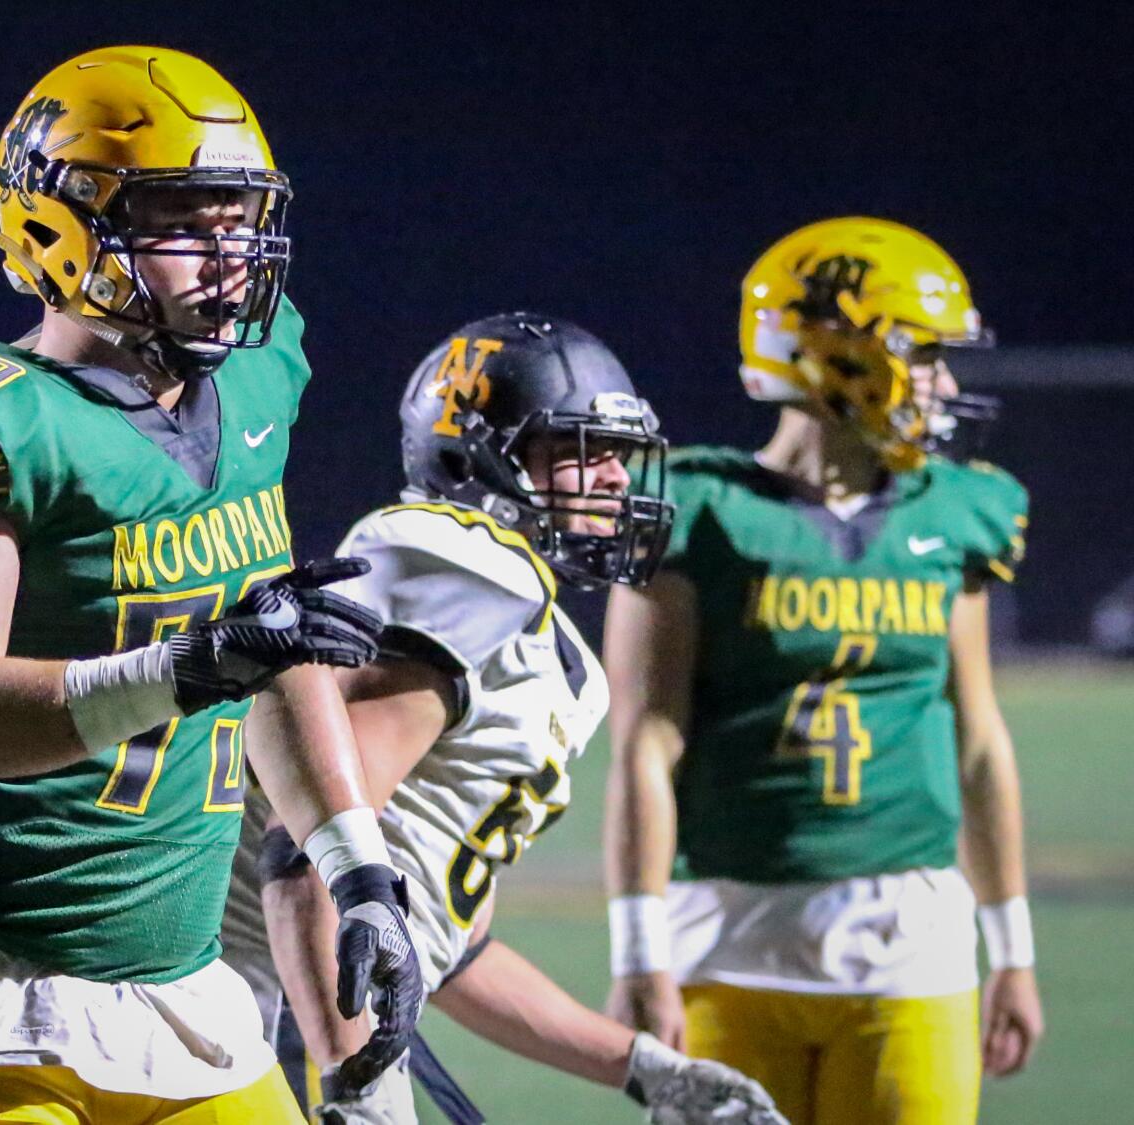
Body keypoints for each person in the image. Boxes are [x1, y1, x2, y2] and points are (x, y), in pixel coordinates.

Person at [0, 46, 423, 1124]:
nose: (228, 256)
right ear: (56, 231)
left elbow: (270, 644)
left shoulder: (257, 372)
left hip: (177, 989)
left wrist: (357, 865)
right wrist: (190, 665)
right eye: (185, 219)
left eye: (240, 218)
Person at [227, 313, 784, 1124]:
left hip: (316, 1005)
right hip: (266, 1015)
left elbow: (452, 947)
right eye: (579, 451)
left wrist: (643, 1068)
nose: (614, 480)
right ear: (475, 456)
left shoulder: (532, 626)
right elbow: (303, 842)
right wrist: (353, 1081)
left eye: (616, 455)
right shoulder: (471, 566)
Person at [602, 217, 1043, 1124]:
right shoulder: (699, 509)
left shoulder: (956, 513)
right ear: (838, 354)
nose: (947, 383)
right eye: (923, 353)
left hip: (910, 940)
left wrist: (1013, 948)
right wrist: (638, 950)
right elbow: (647, 744)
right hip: (721, 935)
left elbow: (978, 740)